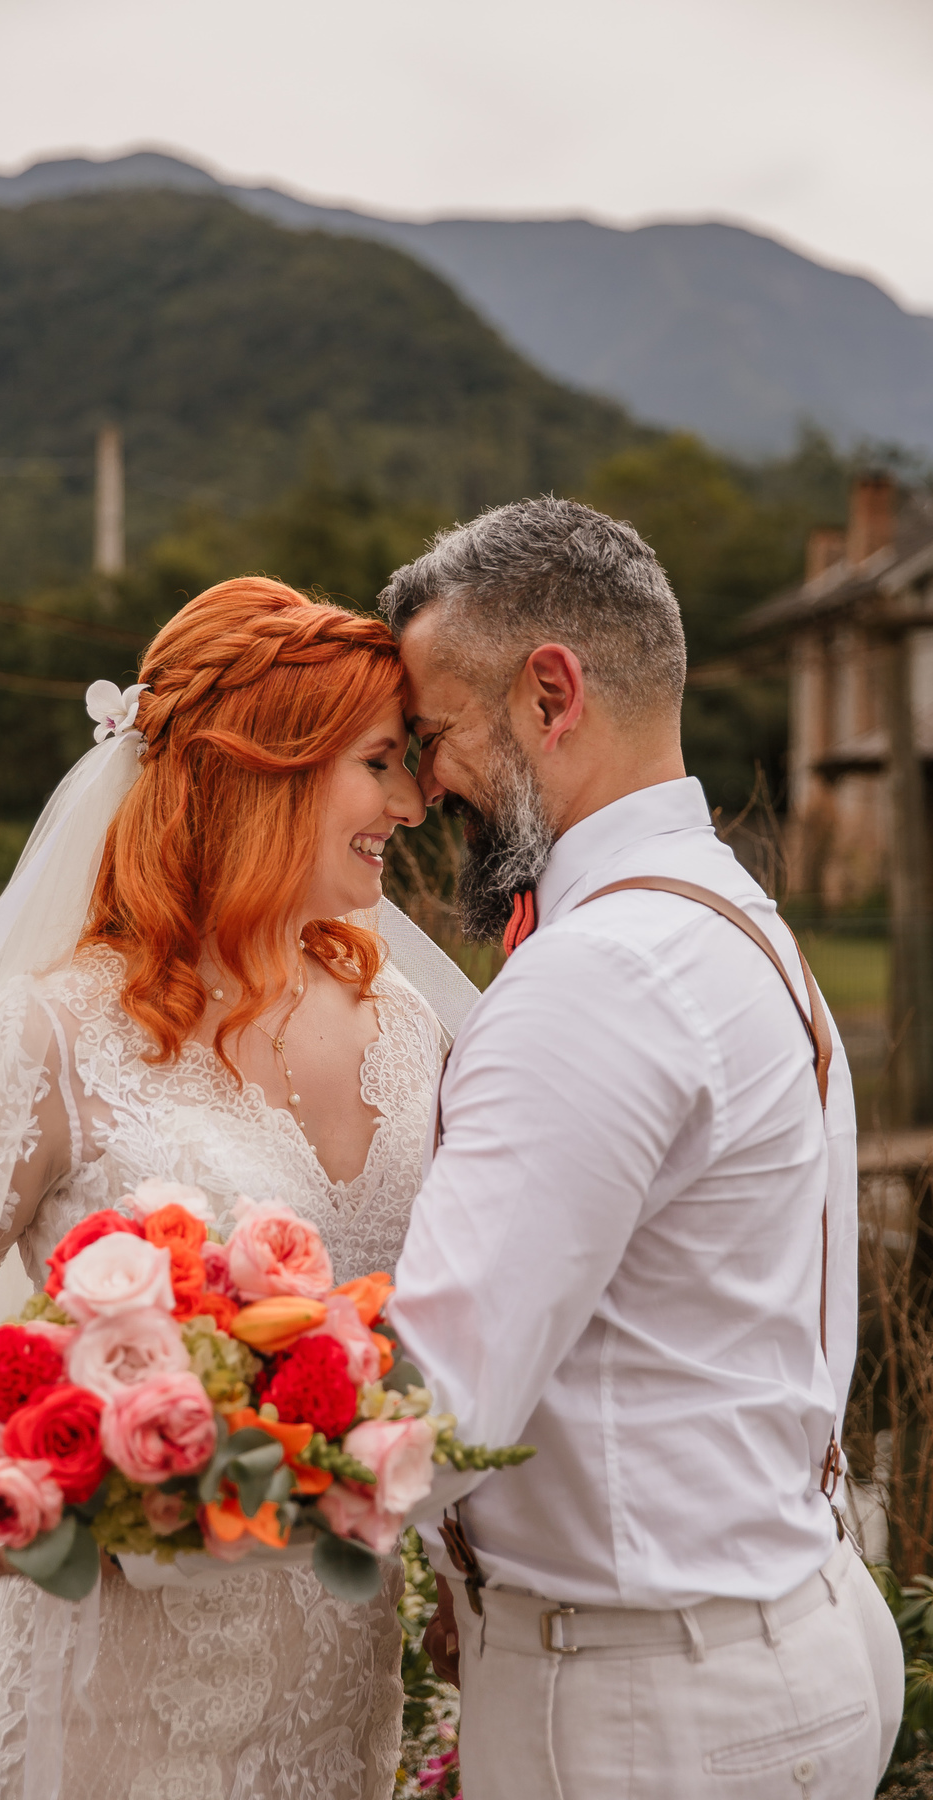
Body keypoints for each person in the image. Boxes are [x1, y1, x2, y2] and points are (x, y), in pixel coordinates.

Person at [0, 578, 480, 1800]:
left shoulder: (410, 1030)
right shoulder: (55, 1037)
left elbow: (446, 1337)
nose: (409, 804)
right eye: (379, 764)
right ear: (262, 771)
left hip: (333, 1672)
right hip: (101, 1678)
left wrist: (455, 1566)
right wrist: (68, 1448)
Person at [383, 499, 905, 1799]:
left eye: (435, 733)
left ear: (550, 692)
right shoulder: (728, 912)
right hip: (781, 1622)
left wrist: (146, 1449)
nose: (422, 784)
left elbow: (435, 1416)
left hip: (643, 1711)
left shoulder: (594, 979)